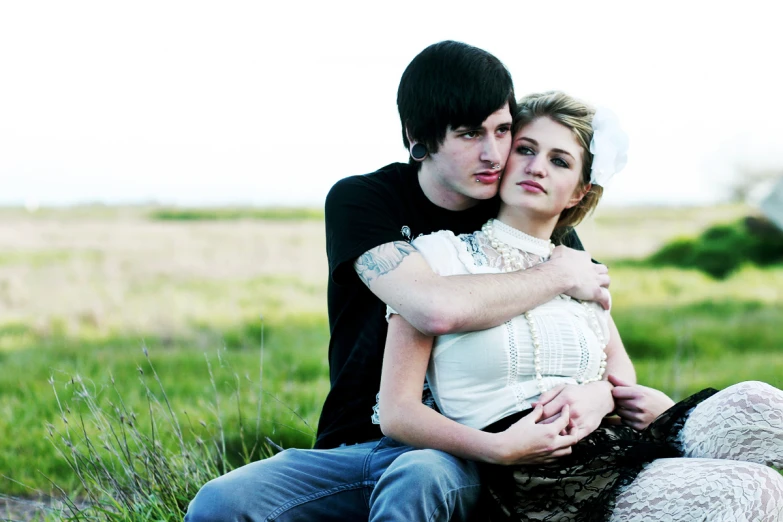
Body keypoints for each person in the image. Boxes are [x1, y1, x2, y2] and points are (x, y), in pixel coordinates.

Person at [186, 42, 613, 521]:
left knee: (421, 476)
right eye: (470, 134)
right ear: (419, 137)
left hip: (460, 443)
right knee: (223, 502)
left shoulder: (521, 212)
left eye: (503, 130)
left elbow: (591, 340)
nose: (494, 154)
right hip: (360, 439)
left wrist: (598, 394)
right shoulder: (365, 200)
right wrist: (555, 274)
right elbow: (433, 307)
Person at [378, 91, 783, 521]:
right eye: (526, 150)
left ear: (578, 192)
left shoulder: (582, 270)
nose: (537, 167)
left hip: (612, 444)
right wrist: (497, 449)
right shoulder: (436, 257)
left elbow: (620, 373)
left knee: (757, 404)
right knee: (755, 489)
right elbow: (397, 413)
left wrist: (601, 395)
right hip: (536, 475)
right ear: (502, 159)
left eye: (560, 161)